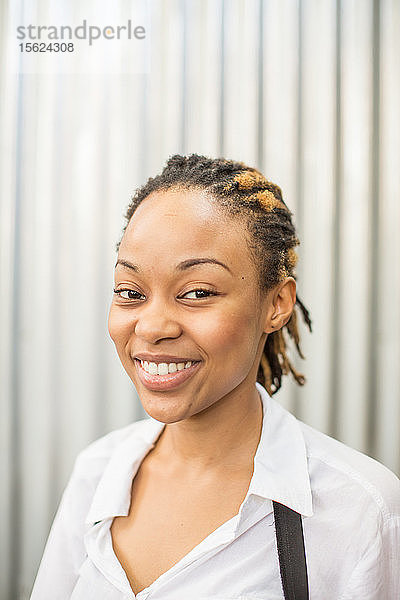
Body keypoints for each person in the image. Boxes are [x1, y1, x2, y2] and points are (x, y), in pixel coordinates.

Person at [30, 154, 400, 599]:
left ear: (276, 304)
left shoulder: (356, 508)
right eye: (131, 293)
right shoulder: (97, 473)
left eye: (197, 293)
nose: (151, 327)